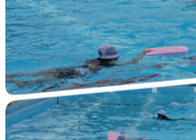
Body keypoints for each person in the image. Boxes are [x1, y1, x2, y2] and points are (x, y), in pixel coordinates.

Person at [7, 44, 151, 87]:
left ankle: (12, 76)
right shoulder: (110, 66)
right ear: (113, 58)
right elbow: (133, 62)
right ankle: (20, 82)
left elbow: (82, 60)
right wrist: (143, 53)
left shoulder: (93, 59)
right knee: (45, 80)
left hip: (73, 68)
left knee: (44, 73)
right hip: (78, 74)